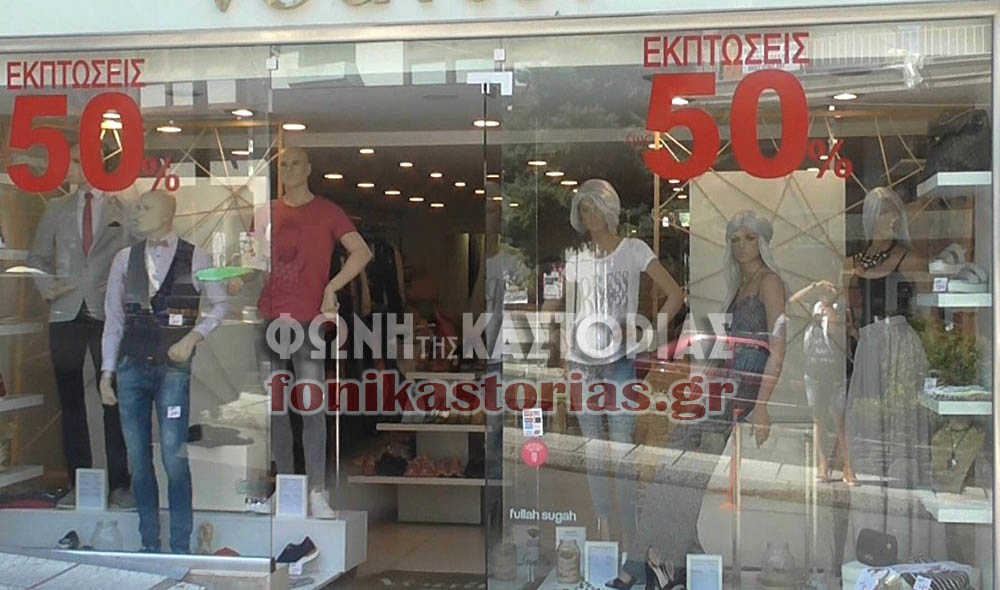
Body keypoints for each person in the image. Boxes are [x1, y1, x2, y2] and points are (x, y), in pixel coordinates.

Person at [641, 210, 786, 584]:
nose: (741, 246)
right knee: (682, 461)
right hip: (723, 385)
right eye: (735, 239)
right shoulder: (741, 284)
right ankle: (676, 551)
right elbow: (726, 344)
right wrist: (702, 379)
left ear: (762, 242)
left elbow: (778, 346)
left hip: (741, 388)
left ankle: (668, 555)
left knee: (689, 463)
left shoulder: (769, 282)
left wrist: (763, 405)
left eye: (749, 238)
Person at [553, 179, 684, 585]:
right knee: (595, 453)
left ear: (609, 210)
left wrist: (646, 332)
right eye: (584, 209)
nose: (590, 216)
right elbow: (567, 309)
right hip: (581, 363)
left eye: (595, 208)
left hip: (619, 364)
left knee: (623, 455)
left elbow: (675, 294)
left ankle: (632, 549)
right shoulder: (577, 258)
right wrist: (564, 356)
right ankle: (604, 536)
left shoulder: (634, 250)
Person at [99, 190, 228, 553]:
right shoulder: (124, 258)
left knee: (174, 458)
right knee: (138, 460)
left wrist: (193, 338)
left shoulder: (196, 255)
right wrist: (107, 372)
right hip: (130, 367)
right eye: (137, 206)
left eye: (145, 206)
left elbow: (220, 304)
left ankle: (180, 544)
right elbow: (114, 319)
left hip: (173, 368)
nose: (137, 212)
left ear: (169, 211)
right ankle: (149, 543)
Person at [256, 147, 372, 517]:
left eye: (294, 163)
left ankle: (317, 490)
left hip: (308, 320)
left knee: (311, 407)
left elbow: (362, 252)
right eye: (283, 164)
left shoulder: (327, 212)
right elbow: (252, 260)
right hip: (270, 317)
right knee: (276, 409)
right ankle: (286, 487)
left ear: (308, 169)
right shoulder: (265, 213)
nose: (288, 169)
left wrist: (331, 287)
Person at [27, 143, 133, 508]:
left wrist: (124, 293)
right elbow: (37, 257)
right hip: (66, 310)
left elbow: (137, 256)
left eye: (74, 159)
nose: (68, 166)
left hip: (108, 313)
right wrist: (47, 287)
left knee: (113, 399)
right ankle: (78, 481)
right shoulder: (57, 209)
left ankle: (120, 483)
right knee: (69, 400)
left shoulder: (122, 208)